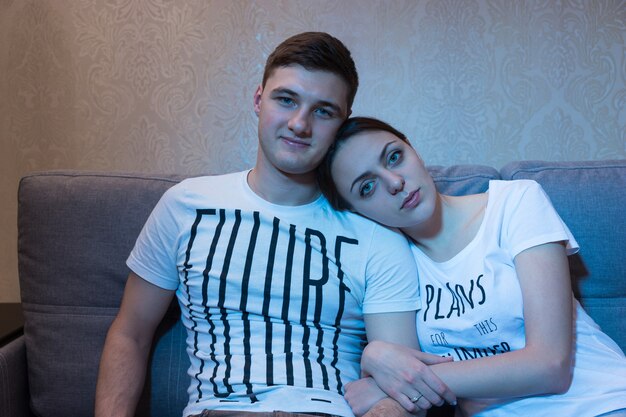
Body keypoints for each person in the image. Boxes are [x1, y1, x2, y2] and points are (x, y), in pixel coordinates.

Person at [95, 33, 455, 417]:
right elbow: (130, 334)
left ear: (341, 124)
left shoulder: (375, 233)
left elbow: (399, 386)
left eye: (323, 111)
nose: (300, 124)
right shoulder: (186, 206)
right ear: (258, 99)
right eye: (286, 100)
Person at [317, 116, 626, 417]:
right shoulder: (389, 266)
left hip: (601, 401)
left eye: (395, 157)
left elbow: (550, 364)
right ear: (353, 211)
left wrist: (394, 381)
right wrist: (378, 356)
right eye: (367, 188)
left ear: (413, 149)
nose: (395, 182)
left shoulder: (515, 203)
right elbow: (404, 386)